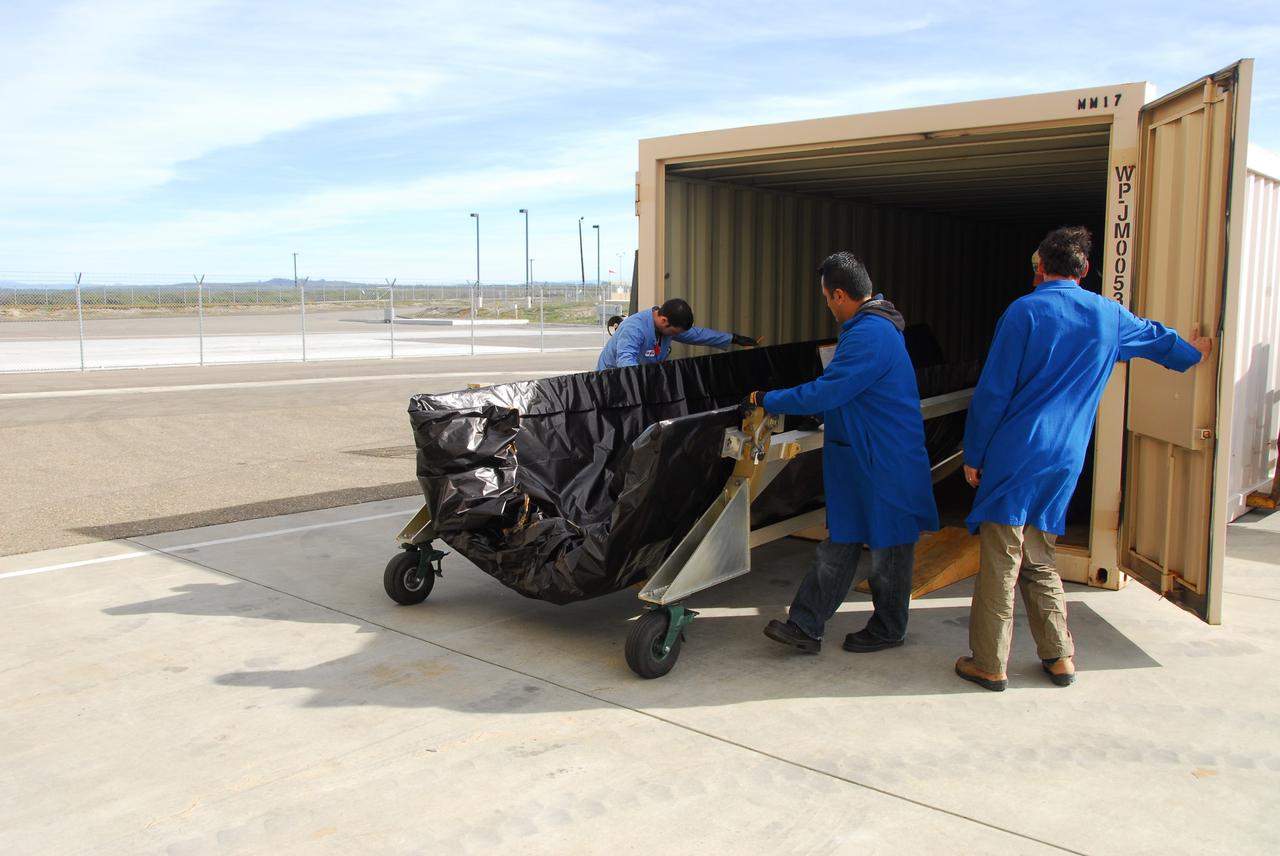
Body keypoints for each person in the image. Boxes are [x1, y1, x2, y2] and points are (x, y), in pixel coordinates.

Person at [955, 226, 1211, 692]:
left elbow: (993, 392)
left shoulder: (1023, 312)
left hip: (1017, 451)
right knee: (1040, 554)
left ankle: (989, 663)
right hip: (1066, 457)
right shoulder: (1107, 316)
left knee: (1002, 558)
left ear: (1040, 268)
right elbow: (1158, 339)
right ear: (1085, 270)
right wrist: (1195, 352)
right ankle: (1059, 657)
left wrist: (974, 454)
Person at [753, 251, 938, 654]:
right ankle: (806, 625)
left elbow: (831, 388)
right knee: (846, 540)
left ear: (839, 294)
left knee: (889, 548)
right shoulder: (874, 327)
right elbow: (851, 389)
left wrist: (769, 399)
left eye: (826, 298)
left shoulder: (870, 333)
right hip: (869, 456)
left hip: (883, 459)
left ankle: (887, 627)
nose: (827, 306)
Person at [595, 298, 759, 370]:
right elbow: (625, 363)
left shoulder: (666, 327)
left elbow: (697, 335)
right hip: (612, 380)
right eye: (675, 333)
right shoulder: (634, 329)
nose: (674, 336)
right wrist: (645, 383)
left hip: (640, 376)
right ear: (665, 321)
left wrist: (733, 338)